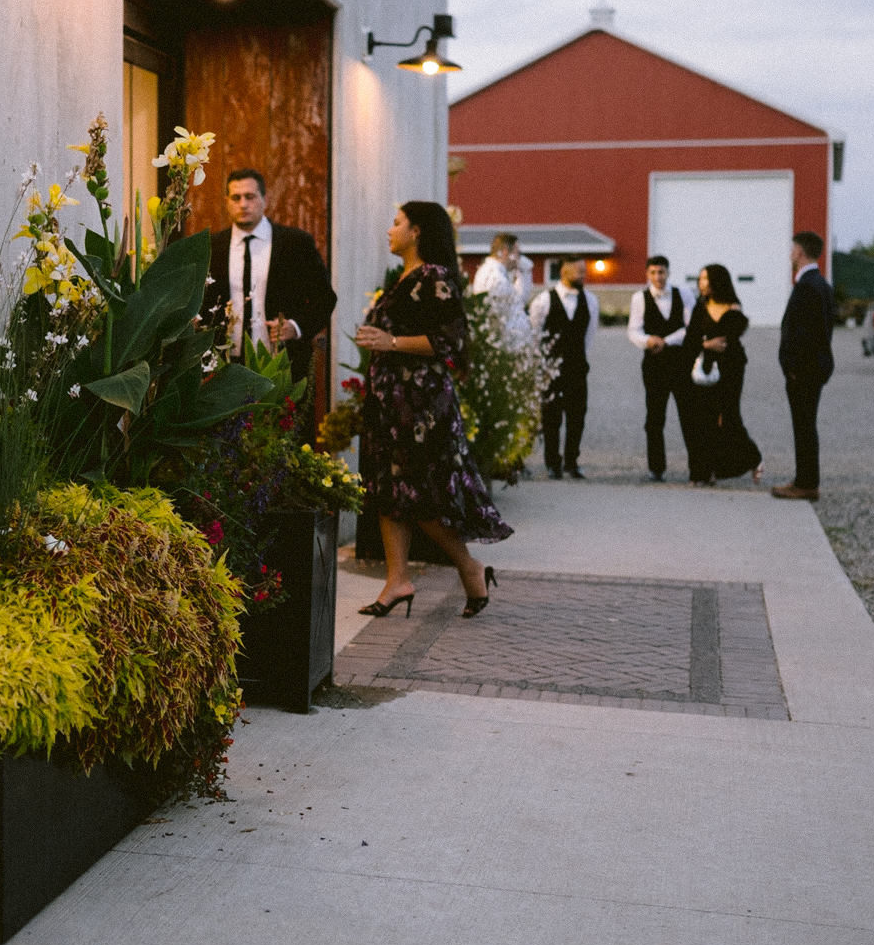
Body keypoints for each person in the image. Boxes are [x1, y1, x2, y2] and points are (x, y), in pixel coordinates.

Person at [352, 201, 513, 619]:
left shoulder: (435, 276)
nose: (389, 230)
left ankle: (470, 567)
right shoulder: (404, 277)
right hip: (391, 402)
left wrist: (390, 343)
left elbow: (451, 342)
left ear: (417, 231)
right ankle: (397, 581)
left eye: (396, 223)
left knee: (420, 495)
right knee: (388, 491)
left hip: (420, 406)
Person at [202, 169, 337, 383]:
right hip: (225, 367)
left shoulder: (296, 243)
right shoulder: (212, 247)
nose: (243, 204)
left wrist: (296, 326)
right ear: (227, 202)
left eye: (250, 197)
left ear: (265, 199)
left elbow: (325, 299)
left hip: (282, 364)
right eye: (236, 198)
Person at [681, 264, 764, 485]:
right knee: (703, 420)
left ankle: (753, 458)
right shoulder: (701, 307)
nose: (701, 283)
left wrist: (706, 342)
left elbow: (726, 341)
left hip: (731, 370)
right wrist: (706, 343)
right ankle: (703, 473)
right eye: (699, 279)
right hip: (703, 370)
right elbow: (691, 340)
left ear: (718, 281)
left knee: (727, 419)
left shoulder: (733, 310)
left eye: (705, 279)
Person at [774, 231, 836, 500]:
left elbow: (805, 334)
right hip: (814, 367)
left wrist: (793, 367)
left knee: (804, 426)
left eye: (792, 250)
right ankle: (804, 479)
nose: (790, 255)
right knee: (805, 425)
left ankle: (807, 484)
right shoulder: (821, 284)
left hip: (805, 370)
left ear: (800, 252)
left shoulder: (808, 287)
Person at [528, 256, 600, 480]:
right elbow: (534, 334)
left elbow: (589, 334)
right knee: (551, 418)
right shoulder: (543, 301)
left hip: (578, 367)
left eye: (584, 271)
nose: (582, 275)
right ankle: (552, 463)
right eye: (578, 271)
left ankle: (572, 461)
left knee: (577, 416)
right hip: (550, 369)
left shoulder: (591, 300)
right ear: (564, 272)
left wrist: (578, 357)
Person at [627, 254, 690, 482]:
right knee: (654, 416)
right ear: (647, 274)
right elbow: (633, 330)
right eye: (653, 273)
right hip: (653, 365)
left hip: (681, 363)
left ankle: (698, 466)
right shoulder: (639, 298)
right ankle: (657, 467)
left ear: (668, 272)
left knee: (688, 414)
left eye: (661, 272)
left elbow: (690, 327)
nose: (657, 277)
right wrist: (647, 341)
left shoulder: (683, 294)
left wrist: (667, 340)